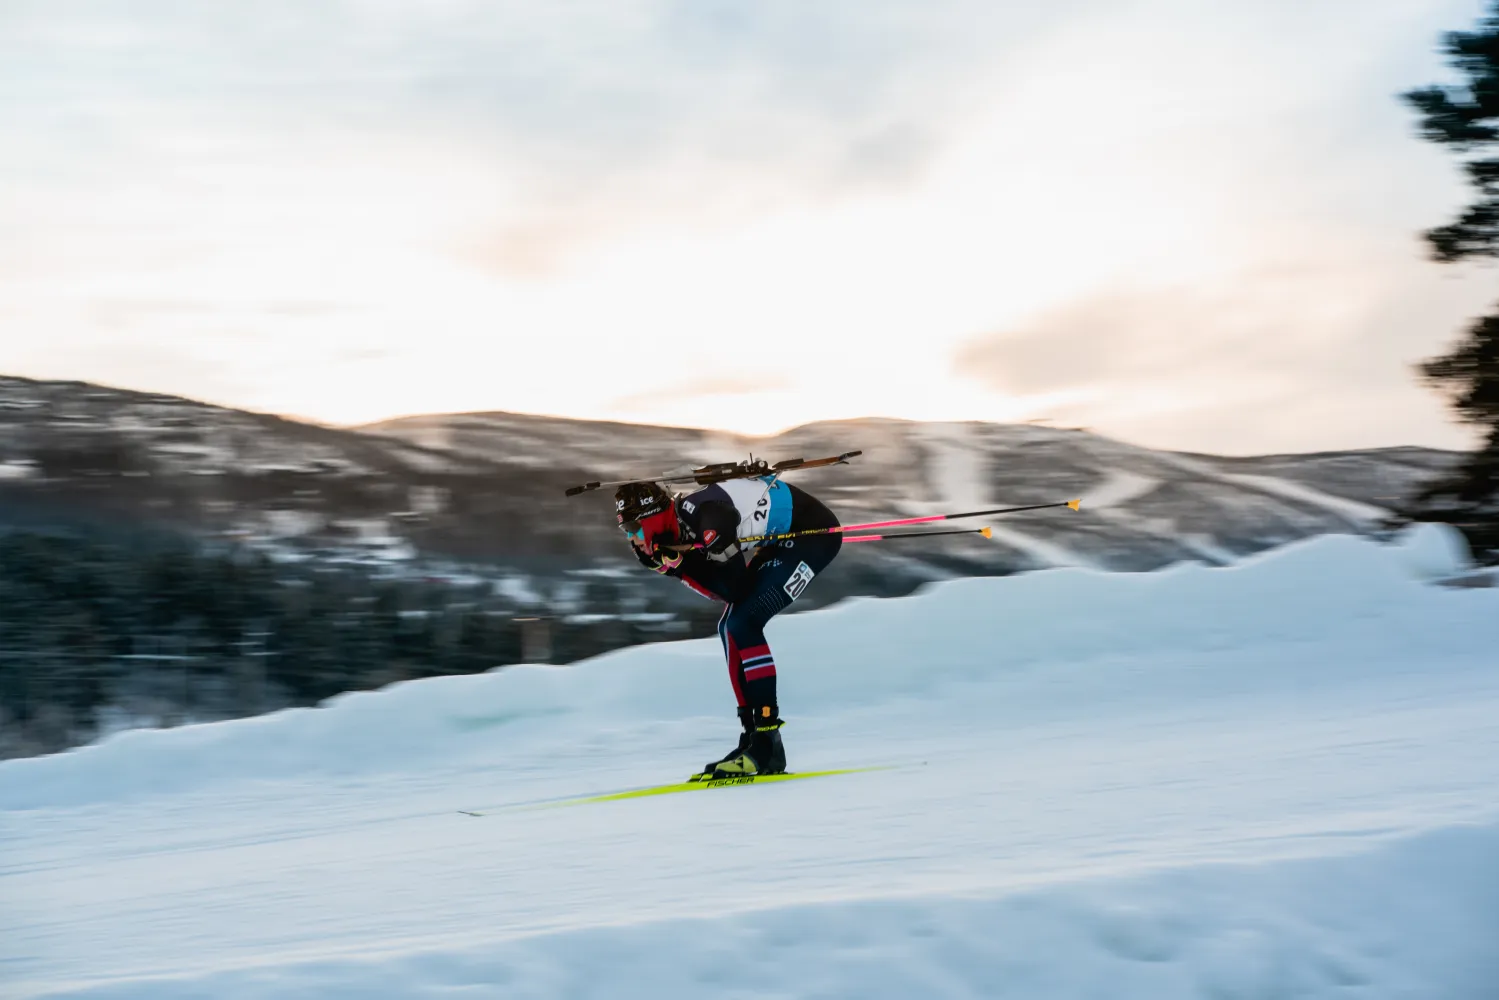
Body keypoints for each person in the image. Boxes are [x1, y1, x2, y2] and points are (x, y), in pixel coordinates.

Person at [615, 474, 843, 778]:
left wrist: (679, 567)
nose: (632, 538)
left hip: (812, 535)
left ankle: (766, 743)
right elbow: (717, 588)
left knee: (744, 623)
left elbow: (733, 587)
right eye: (624, 530)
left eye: (633, 528)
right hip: (779, 539)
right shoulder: (678, 529)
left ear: (653, 518)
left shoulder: (709, 519)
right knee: (729, 626)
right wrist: (677, 569)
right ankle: (754, 739)